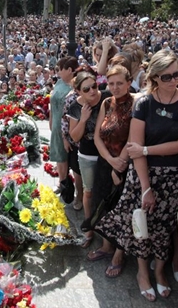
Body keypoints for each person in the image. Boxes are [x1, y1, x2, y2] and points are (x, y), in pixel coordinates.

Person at [99, 50, 178, 301]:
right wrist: (145, 188)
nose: (173, 80)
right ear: (154, 77)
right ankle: (143, 273)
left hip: (173, 176)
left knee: (165, 228)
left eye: (177, 74)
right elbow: (134, 146)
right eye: (166, 76)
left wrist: (145, 149)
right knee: (141, 227)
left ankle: (160, 272)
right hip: (143, 175)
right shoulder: (143, 103)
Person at [88, 65, 133, 267]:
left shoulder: (136, 103)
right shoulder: (107, 102)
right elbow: (97, 136)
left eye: (119, 83)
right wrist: (109, 160)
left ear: (129, 83)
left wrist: (118, 165)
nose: (114, 87)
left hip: (125, 164)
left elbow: (133, 136)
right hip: (106, 161)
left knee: (121, 208)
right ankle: (106, 245)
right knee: (102, 202)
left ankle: (119, 253)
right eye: (111, 83)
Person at [67, 69, 107, 248]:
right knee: (88, 191)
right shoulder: (75, 107)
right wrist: (83, 120)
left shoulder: (106, 97)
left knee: (107, 192)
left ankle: (107, 230)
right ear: (78, 92)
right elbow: (74, 137)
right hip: (88, 153)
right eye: (86, 89)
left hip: (108, 151)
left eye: (94, 86)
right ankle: (89, 227)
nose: (92, 91)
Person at [49, 56, 79, 203]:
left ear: (69, 70)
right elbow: (52, 102)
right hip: (55, 123)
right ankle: (62, 183)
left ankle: (66, 185)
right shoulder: (59, 82)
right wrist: (50, 119)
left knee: (64, 156)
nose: (58, 72)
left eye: (61, 69)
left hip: (65, 127)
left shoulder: (74, 88)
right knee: (59, 157)